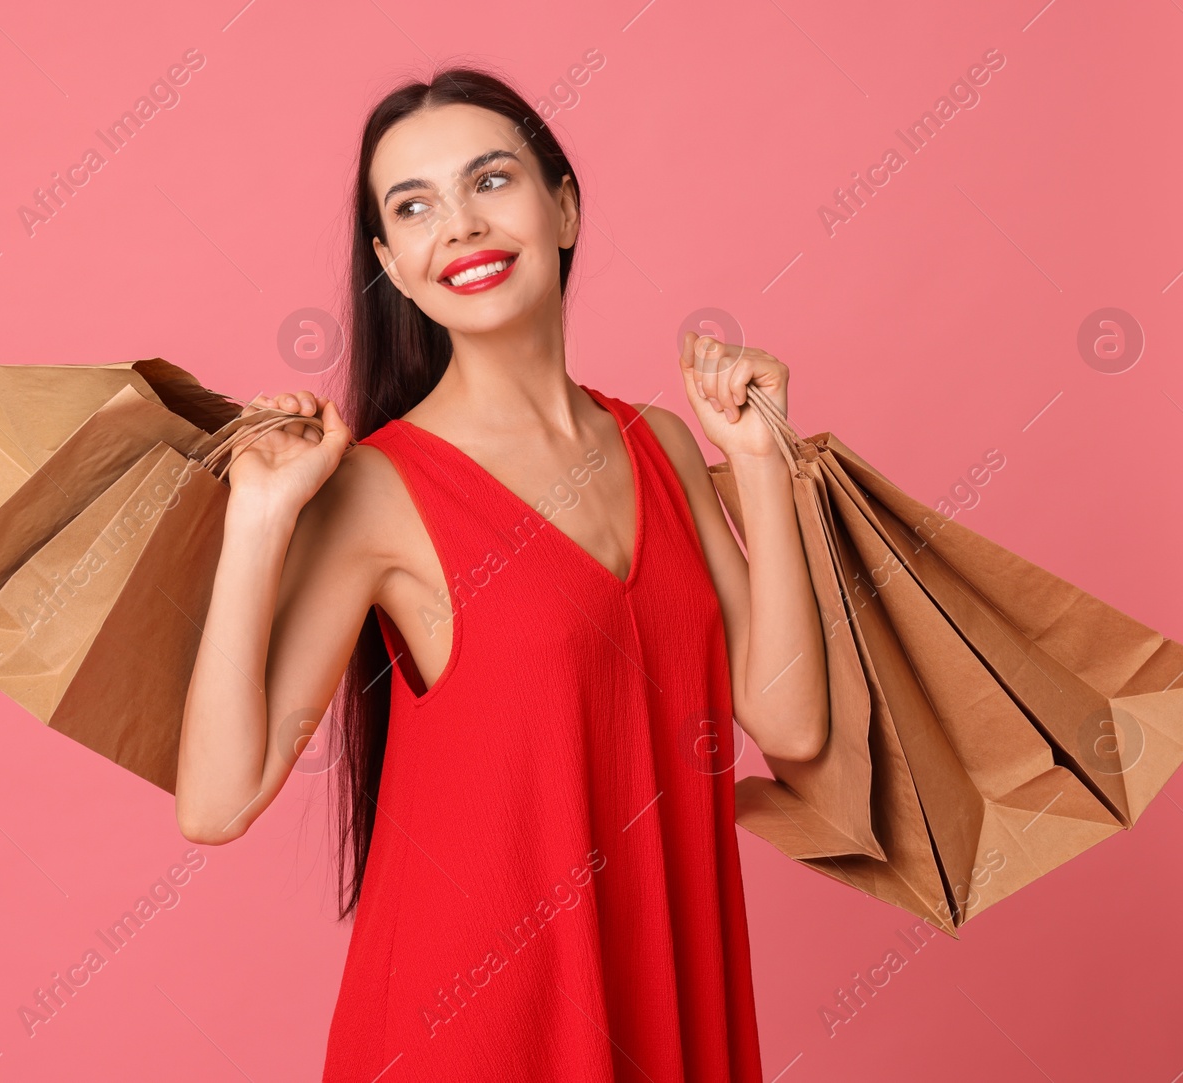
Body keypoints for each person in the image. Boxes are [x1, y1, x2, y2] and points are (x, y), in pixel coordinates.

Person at [175, 65, 828, 1082]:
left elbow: (789, 727)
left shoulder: (658, 442)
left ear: (561, 207)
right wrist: (259, 518)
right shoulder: (377, 489)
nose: (460, 227)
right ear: (391, 264)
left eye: (490, 182)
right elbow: (215, 804)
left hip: (661, 1000)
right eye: (414, 207)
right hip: (477, 1033)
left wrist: (759, 465)